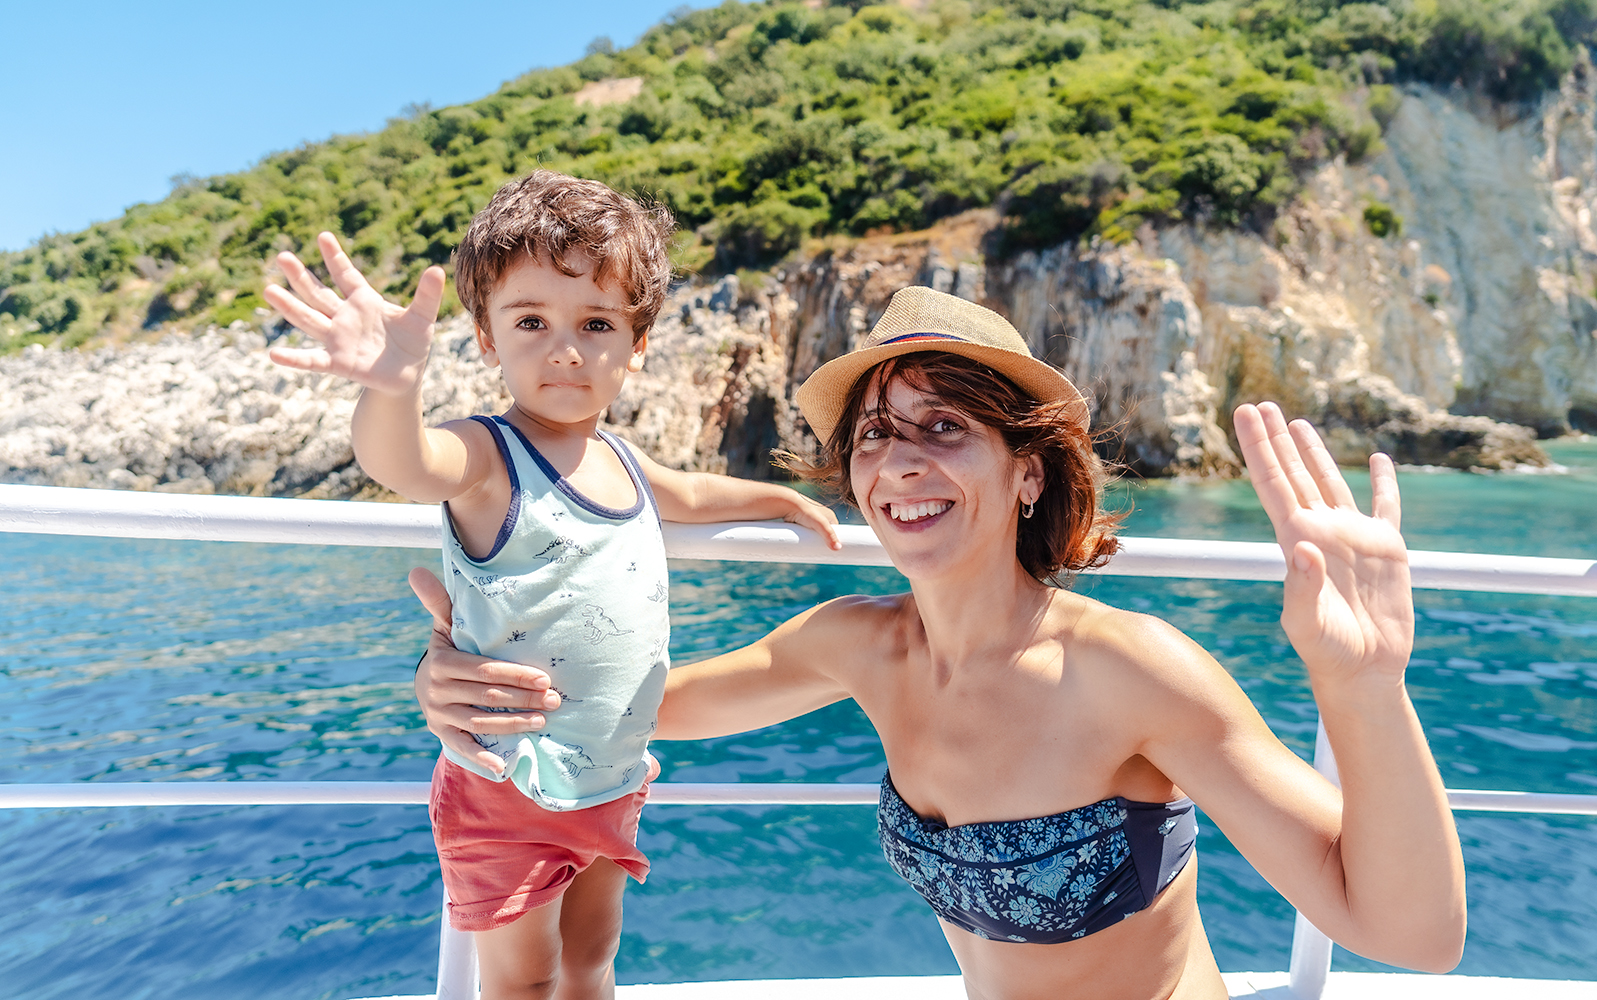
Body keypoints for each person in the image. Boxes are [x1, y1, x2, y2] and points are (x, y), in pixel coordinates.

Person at [410, 285, 1467, 999]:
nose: (899, 461)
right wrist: (459, 680)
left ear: (1028, 472)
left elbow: (1409, 932)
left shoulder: (1126, 671)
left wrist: (1364, 684)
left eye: (945, 427)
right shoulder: (860, 646)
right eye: (876, 432)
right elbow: (637, 707)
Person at [263, 169, 840, 1000]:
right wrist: (392, 389)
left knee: (591, 961)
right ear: (488, 339)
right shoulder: (489, 456)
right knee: (523, 981)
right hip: (507, 784)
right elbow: (407, 463)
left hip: (612, 777)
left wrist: (780, 498)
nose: (565, 348)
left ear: (637, 346)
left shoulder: (625, 461)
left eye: (597, 322)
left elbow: (693, 493)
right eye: (531, 320)